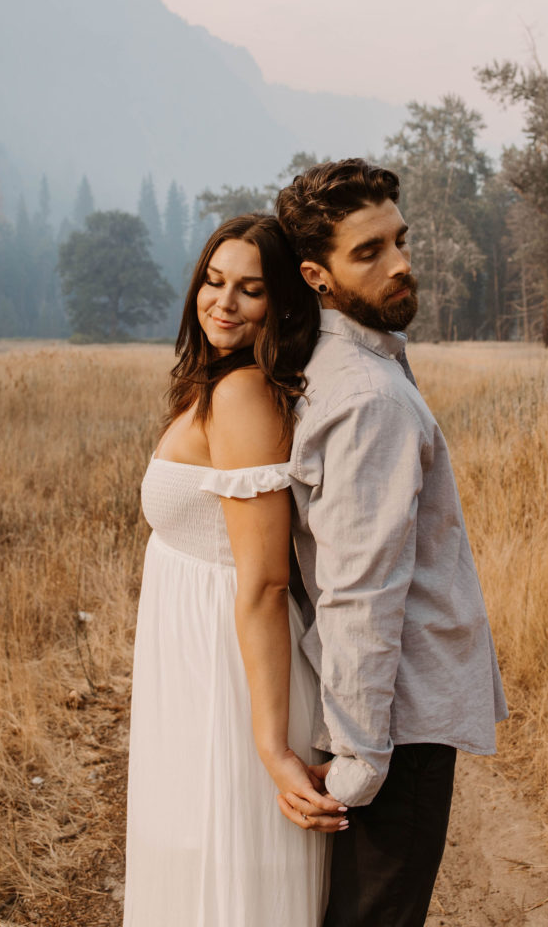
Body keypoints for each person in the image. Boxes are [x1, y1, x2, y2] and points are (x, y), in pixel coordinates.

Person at [276, 159, 509, 927]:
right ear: (316, 274)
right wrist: (364, 759)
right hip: (395, 729)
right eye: (368, 251)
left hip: (385, 718)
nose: (400, 263)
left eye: (399, 241)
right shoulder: (369, 396)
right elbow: (358, 590)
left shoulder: (361, 365)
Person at [123, 214, 344, 927]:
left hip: (229, 673)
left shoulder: (243, 393)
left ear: (280, 303)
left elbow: (267, 578)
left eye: (249, 290)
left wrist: (272, 747)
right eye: (214, 282)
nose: (223, 302)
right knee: (191, 864)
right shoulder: (213, 383)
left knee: (227, 879)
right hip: (190, 667)